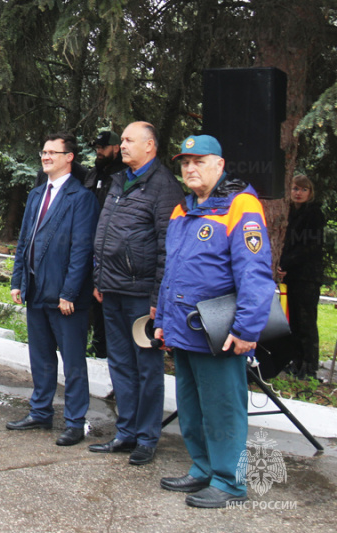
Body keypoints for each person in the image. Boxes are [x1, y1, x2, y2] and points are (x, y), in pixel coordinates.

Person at [154, 135, 275, 508]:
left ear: (219, 165)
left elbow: (255, 273)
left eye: (199, 161)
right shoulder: (184, 208)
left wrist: (246, 329)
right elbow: (172, 270)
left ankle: (230, 482)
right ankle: (203, 469)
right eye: (185, 162)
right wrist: (161, 319)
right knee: (191, 406)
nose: (190, 168)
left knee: (223, 408)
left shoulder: (241, 205)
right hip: (184, 328)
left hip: (219, 331)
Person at [88, 121, 184, 465]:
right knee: (121, 364)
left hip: (141, 295)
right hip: (111, 290)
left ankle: (146, 438)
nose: (123, 144)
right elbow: (103, 234)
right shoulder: (118, 182)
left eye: (130, 140)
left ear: (150, 146)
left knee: (146, 367)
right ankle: (125, 432)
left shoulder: (164, 187)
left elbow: (166, 249)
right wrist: (98, 279)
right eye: (123, 140)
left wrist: (159, 299)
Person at [8, 133, 99, 447]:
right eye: (43, 151)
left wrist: (70, 292)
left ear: (69, 156)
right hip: (36, 290)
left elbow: (82, 249)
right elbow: (24, 243)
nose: (45, 157)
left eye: (52, 152)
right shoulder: (36, 195)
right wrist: (17, 280)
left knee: (73, 361)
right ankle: (40, 411)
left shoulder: (82, 197)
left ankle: (75, 421)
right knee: (41, 357)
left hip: (65, 297)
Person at [82, 130, 127, 359]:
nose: (99, 151)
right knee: (90, 298)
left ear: (116, 148)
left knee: (106, 300)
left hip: (111, 250)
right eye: (97, 147)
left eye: (103, 147)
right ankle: (95, 343)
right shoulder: (92, 175)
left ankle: (107, 348)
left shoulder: (123, 175)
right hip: (89, 245)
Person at [278, 174, 325, 380]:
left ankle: (309, 367)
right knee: (294, 322)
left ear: (310, 193)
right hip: (291, 274)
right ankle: (296, 363)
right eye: (295, 188)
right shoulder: (287, 213)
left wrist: (285, 263)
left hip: (307, 276)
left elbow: (309, 247)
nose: (298, 193)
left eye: (303, 189)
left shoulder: (314, 215)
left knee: (306, 322)